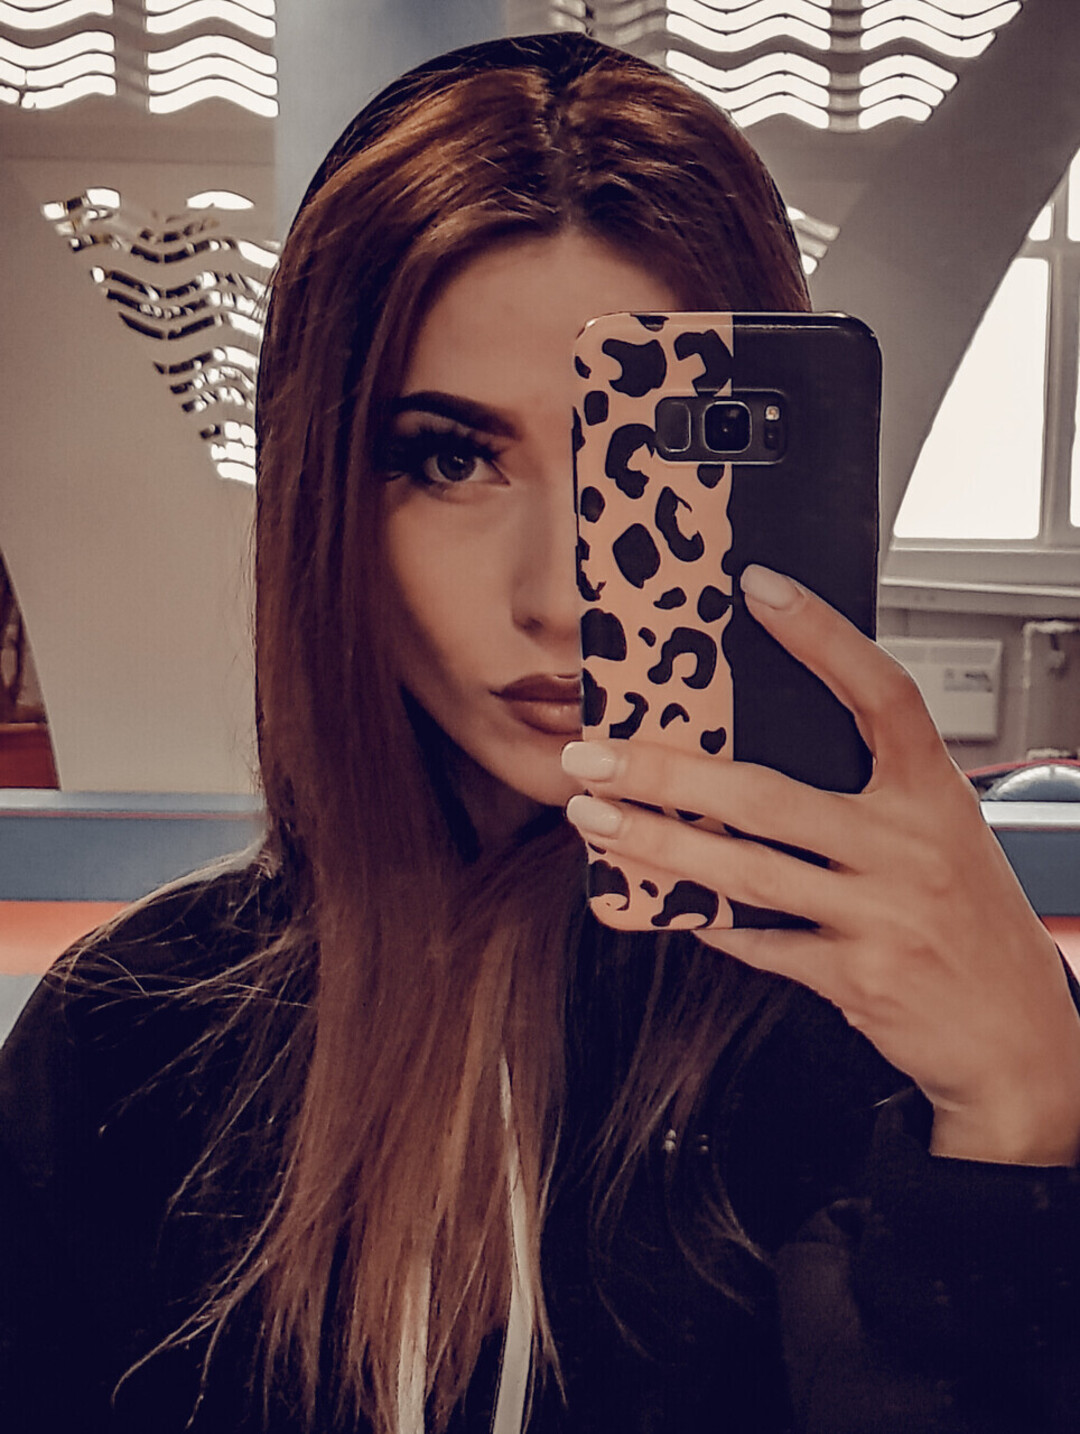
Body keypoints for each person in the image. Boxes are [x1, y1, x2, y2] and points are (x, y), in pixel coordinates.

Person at [2, 31, 1079, 1434]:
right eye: (449, 456)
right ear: (325, 492)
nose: (561, 595)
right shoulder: (129, 1041)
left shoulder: (874, 1045)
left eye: (656, 448)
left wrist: (1021, 1120)